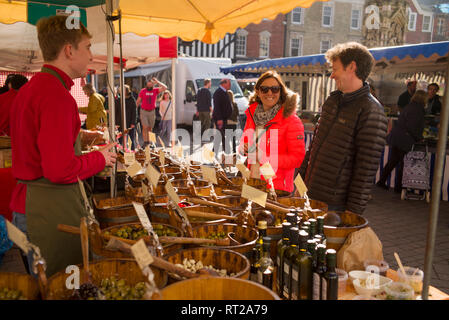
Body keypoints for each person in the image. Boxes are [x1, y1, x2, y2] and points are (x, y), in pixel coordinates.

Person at [9, 15, 117, 277]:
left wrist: (80, 138)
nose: (91, 56)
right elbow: (59, 169)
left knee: (48, 285)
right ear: (69, 50)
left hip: (29, 205)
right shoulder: (57, 96)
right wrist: (102, 159)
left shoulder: (32, 88)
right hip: (46, 211)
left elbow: (39, 142)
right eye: (88, 47)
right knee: (64, 286)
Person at [300, 42, 388, 215]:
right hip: (311, 196)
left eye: (335, 69)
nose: (332, 75)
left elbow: (365, 169)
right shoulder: (332, 101)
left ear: (352, 67)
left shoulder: (371, 110)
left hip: (336, 206)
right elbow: (314, 148)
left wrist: (352, 213)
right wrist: (300, 184)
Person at [238, 70, 305, 192]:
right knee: (251, 211)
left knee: (268, 212)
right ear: (258, 92)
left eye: (275, 89)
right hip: (253, 181)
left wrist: (265, 157)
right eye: (264, 89)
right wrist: (244, 148)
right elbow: (245, 143)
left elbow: (297, 158)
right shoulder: (252, 116)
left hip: (277, 188)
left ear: (281, 92)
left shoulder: (291, 120)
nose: (270, 93)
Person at [377, 90, 427, 193]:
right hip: (405, 139)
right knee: (403, 164)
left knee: (393, 161)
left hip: (397, 137)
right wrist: (419, 137)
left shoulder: (408, 106)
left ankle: (382, 181)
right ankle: (398, 187)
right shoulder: (418, 109)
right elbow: (412, 127)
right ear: (423, 99)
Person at [136, 78, 167, 148]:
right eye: (148, 82)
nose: (149, 84)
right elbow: (138, 101)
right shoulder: (143, 91)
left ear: (153, 84)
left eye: (151, 83)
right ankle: (146, 142)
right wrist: (135, 110)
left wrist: (157, 82)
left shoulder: (155, 90)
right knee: (145, 127)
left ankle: (152, 142)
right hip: (144, 111)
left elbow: (165, 88)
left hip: (152, 112)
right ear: (146, 84)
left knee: (150, 128)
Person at [212, 78, 233, 156]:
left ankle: (213, 154)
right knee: (223, 137)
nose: (230, 85)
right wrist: (219, 119)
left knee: (219, 137)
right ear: (224, 83)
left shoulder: (224, 92)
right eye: (229, 83)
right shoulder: (218, 92)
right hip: (220, 119)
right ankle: (226, 155)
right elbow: (217, 107)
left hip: (224, 118)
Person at [115, 85, 137, 150]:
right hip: (120, 122)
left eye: (123, 90)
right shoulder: (118, 100)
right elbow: (116, 112)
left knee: (131, 139)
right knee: (120, 138)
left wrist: (133, 122)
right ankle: (120, 152)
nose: (121, 91)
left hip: (130, 122)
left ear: (127, 91)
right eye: (120, 90)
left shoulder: (132, 99)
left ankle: (132, 152)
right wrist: (115, 123)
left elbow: (134, 112)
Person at [226, 89, 240, 154]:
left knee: (227, 138)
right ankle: (234, 151)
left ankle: (228, 151)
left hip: (227, 123)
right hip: (233, 123)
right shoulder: (235, 104)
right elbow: (237, 113)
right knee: (233, 138)